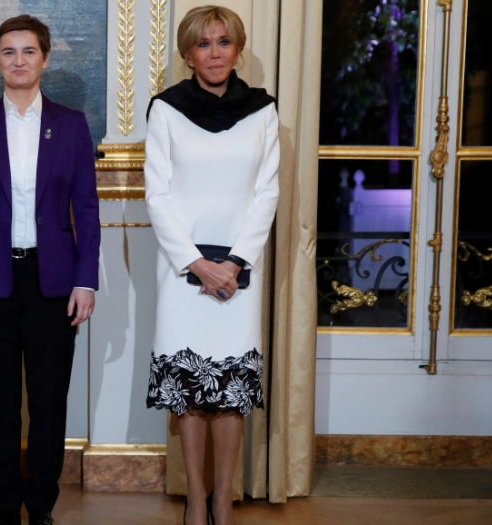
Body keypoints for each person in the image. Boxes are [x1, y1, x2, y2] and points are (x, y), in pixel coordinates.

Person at [0, 15, 100, 525]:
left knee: (49, 402)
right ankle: (7, 506)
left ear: (45, 58)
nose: (19, 60)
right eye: (8, 52)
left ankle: (42, 506)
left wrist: (86, 280)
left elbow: (87, 210)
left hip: (53, 284)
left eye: (29, 51)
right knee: (0, 403)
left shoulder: (71, 124)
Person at [143, 6, 279, 525]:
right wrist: (198, 263)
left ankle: (224, 498)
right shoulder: (166, 109)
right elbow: (157, 196)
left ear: (237, 50)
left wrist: (235, 262)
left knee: (230, 393)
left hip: (241, 271)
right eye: (204, 44)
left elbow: (267, 193)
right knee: (190, 391)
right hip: (183, 269)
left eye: (224, 42)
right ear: (188, 54)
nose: (215, 53)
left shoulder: (262, 110)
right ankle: (196, 499)